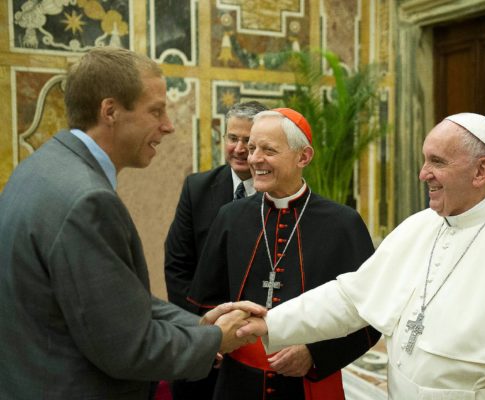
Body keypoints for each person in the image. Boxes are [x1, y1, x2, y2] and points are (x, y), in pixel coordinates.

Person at [238, 113, 485, 399]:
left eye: (436, 162)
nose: (423, 173)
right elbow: (350, 298)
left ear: (481, 171)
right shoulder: (419, 226)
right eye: (425, 160)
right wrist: (271, 322)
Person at [0, 46, 265, 400]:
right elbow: (129, 347)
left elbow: (115, 300)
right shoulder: (87, 201)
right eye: (155, 111)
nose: (168, 126)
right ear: (110, 111)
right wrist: (216, 339)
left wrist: (197, 324)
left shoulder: (41, 166)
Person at [187, 108, 381, 399]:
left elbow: (370, 313)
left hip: (307, 385)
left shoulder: (342, 224)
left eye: (268, 150)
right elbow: (204, 301)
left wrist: (315, 354)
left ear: (303, 157)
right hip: (237, 385)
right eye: (252, 148)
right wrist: (211, 340)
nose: (254, 159)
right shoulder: (230, 217)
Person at [164, 100, 268, 399]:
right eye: (232, 138)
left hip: (258, 339)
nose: (238, 148)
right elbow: (178, 266)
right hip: (204, 333)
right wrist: (204, 332)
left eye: (247, 141)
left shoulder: (278, 195)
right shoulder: (196, 188)